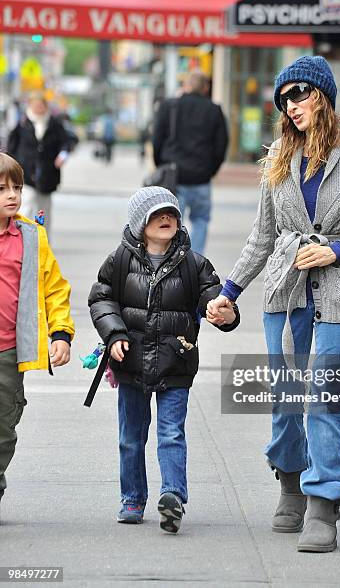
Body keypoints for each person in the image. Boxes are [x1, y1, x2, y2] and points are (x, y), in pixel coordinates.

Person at [207, 56, 340, 553]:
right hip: (284, 292)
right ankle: (290, 482)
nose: (292, 106)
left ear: (324, 96)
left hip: (338, 293)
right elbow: (263, 236)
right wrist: (229, 292)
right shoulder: (278, 156)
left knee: (323, 395)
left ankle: (324, 502)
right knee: (287, 397)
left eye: (301, 94)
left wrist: (338, 248)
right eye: (285, 99)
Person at [88, 186, 239, 532]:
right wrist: (114, 335)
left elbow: (212, 298)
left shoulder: (194, 264)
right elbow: (101, 300)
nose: (166, 219)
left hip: (176, 361)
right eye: (157, 214)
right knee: (131, 435)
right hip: (130, 362)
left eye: (171, 212)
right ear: (140, 223)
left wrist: (224, 313)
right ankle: (132, 498)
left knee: (171, 432)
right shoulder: (119, 260)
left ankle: (172, 495)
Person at [0, 153, 74, 512]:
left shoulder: (31, 236)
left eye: (16, 187)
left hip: (9, 353)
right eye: (1, 189)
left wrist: (61, 333)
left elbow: (54, 288)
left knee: (3, 429)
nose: (12, 195)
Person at [152, 70, 229, 255]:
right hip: (201, 177)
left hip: (173, 177)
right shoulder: (214, 110)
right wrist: (211, 170)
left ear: (185, 86)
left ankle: (171, 259)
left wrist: (160, 165)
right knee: (201, 220)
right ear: (205, 88)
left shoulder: (169, 106)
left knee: (170, 221)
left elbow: (157, 139)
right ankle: (195, 262)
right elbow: (221, 144)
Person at [7, 94, 73, 235]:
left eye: (41, 106)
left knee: (43, 211)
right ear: (30, 106)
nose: (39, 109)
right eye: (36, 106)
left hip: (47, 173)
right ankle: (22, 238)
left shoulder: (54, 124)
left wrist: (63, 155)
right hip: (25, 172)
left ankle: (43, 240)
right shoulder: (22, 123)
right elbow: (11, 147)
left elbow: (67, 142)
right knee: (26, 206)